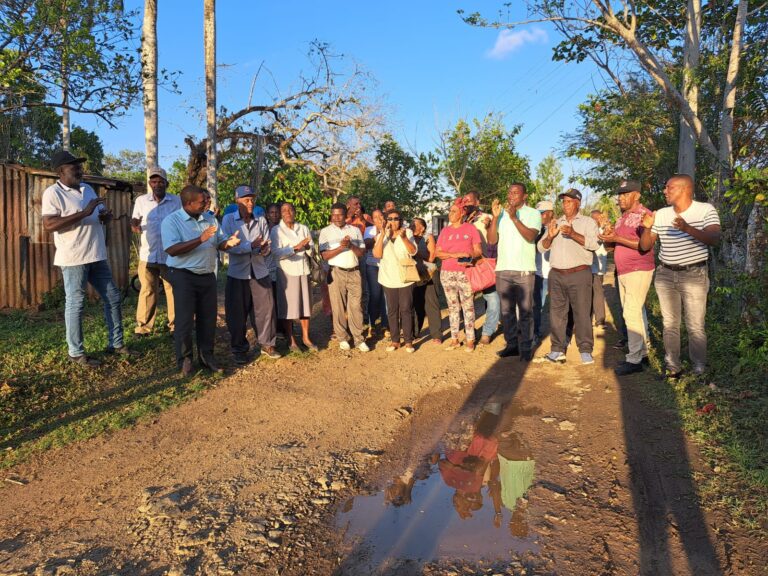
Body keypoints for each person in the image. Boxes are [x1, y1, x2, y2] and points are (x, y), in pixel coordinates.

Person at [41, 150, 135, 367]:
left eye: (80, 166)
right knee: (76, 303)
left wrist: (105, 217)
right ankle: (75, 352)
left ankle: (117, 344)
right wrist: (85, 212)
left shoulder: (88, 189)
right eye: (74, 167)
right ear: (61, 171)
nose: (80, 170)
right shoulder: (52, 193)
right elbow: (49, 225)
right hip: (73, 258)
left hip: (97, 255)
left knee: (112, 297)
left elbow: (98, 214)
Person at [639, 174, 721, 377]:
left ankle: (699, 367)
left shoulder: (705, 210)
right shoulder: (662, 214)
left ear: (685, 189)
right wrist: (647, 228)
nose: (665, 191)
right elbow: (645, 246)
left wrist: (687, 228)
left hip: (694, 274)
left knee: (695, 325)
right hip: (666, 274)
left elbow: (714, 239)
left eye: (669, 187)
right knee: (670, 324)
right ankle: (673, 365)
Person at [162, 185, 241, 375]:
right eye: (202, 201)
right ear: (189, 203)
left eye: (207, 200)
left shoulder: (210, 218)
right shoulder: (171, 221)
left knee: (208, 318)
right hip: (183, 275)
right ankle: (185, 360)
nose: (207, 203)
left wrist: (228, 243)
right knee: (184, 320)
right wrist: (200, 239)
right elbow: (172, 249)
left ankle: (207, 356)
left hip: (207, 274)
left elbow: (219, 241)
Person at [599, 180, 655, 375]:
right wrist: (608, 237)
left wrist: (616, 239)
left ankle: (634, 359)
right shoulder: (622, 218)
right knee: (634, 313)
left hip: (638, 268)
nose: (621, 198)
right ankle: (643, 353)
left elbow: (644, 245)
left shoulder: (645, 215)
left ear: (637, 195)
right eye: (619, 194)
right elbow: (613, 246)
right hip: (623, 271)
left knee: (631, 313)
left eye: (625, 194)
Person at [537, 188, 599, 364]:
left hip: (579, 273)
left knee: (582, 312)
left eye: (569, 201)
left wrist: (573, 234)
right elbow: (541, 248)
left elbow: (594, 244)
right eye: (563, 202)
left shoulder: (587, 222)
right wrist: (549, 237)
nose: (565, 205)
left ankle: (585, 349)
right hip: (556, 274)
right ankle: (557, 349)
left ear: (578, 203)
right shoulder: (555, 222)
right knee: (557, 313)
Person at [221, 186, 281, 365]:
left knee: (266, 309)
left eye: (252, 199)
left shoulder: (260, 220)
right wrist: (250, 246)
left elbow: (266, 243)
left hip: (260, 271)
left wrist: (264, 248)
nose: (250, 202)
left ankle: (267, 344)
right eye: (246, 199)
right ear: (237, 201)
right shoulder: (229, 220)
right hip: (237, 273)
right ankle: (239, 349)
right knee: (237, 313)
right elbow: (227, 246)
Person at [487, 183, 542, 362]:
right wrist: (495, 218)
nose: (511, 195)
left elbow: (530, 236)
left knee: (526, 311)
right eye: (509, 192)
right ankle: (511, 345)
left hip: (524, 270)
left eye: (516, 193)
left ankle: (526, 348)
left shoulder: (533, 213)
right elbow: (491, 241)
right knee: (506, 311)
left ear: (525, 196)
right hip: (503, 269)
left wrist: (514, 218)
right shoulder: (501, 214)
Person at [131, 166, 181, 337]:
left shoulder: (176, 201)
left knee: (173, 289)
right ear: (150, 183)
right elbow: (135, 218)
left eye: (161, 181)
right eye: (154, 181)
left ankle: (175, 325)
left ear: (167, 183)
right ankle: (143, 327)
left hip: (171, 254)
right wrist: (134, 224)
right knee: (148, 289)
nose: (157, 184)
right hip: (148, 253)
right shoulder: (141, 201)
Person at [319, 203, 370, 352]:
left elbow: (361, 253)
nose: (336, 217)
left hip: (354, 271)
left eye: (339, 214)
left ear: (345, 215)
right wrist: (341, 247)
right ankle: (342, 337)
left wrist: (351, 245)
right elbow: (324, 255)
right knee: (338, 306)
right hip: (336, 272)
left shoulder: (354, 230)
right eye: (333, 214)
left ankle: (359, 338)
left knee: (356, 306)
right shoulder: (325, 232)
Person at [270, 202, 317, 352]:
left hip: (303, 270)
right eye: (284, 210)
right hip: (286, 271)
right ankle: (291, 340)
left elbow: (312, 250)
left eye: (290, 209)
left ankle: (306, 337)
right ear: (281, 214)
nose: (288, 212)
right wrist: (295, 248)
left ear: (295, 212)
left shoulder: (303, 228)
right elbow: (276, 252)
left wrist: (308, 247)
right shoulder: (276, 230)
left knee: (305, 305)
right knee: (288, 307)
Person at [436, 201, 482, 351]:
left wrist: (469, 255)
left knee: (468, 306)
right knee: (452, 306)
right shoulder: (445, 231)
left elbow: (478, 250)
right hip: (447, 273)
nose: (450, 214)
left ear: (462, 213)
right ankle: (454, 338)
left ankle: (470, 339)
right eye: (450, 211)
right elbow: (438, 253)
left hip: (465, 272)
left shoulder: (471, 229)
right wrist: (454, 255)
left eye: (454, 211)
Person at [373, 208, 418, 352]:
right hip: (388, 277)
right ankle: (395, 340)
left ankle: (409, 341)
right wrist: (382, 234)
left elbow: (413, 251)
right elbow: (377, 254)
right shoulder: (382, 235)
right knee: (392, 310)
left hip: (405, 277)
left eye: (396, 218)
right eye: (390, 218)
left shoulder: (408, 232)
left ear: (401, 220)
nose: (393, 221)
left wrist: (404, 238)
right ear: (386, 220)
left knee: (406, 309)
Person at [463, 191, 500, 346]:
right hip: (466, 265)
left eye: (469, 201)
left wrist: (490, 224)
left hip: (485, 264)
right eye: (464, 201)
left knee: (493, 299)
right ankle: (469, 332)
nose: (465, 204)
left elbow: (496, 239)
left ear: (477, 202)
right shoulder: (459, 219)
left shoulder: (487, 217)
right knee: (466, 302)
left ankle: (487, 331)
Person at [411, 217, 442, 344]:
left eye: (415, 224)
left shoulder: (428, 237)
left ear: (422, 228)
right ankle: (414, 333)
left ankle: (436, 335)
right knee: (416, 304)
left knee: (431, 303)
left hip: (429, 273)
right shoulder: (409, 238)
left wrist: (416, 251)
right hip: (414, 274)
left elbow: (431, 257)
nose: (412, 226)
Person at [346, 196, 370, 326]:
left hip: (361, 255)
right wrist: (350, 216)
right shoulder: (342, 218)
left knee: (363, 285)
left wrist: (361, 219)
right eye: (355, 204)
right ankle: (347, 317)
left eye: (359, 203)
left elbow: (372, 230)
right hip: (345, 256)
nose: (358, 206)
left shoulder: (365, 217)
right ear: (348, 205)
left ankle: (363, 314)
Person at [363, 209, 388, 334]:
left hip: (386, 266)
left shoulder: (389, 229)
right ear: (372, 219)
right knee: (375, 294)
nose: (378, 218)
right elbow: (367, 244)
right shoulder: (369, 230)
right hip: (372, 265)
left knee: (386, 296)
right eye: (375, 217)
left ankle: (385, 324)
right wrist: (378, 232)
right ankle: (371, 323)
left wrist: (384, 230)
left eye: (380, 216)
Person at [533, 200, 554, 342]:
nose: (539, 216)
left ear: (550, 213)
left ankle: (562, 336)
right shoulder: (536, 229)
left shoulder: (559, 227)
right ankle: (535, 332)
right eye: (538, 213)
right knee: (537, 306)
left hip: (555, 273)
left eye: (542, 213)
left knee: (558, 306)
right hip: (538, 273)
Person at [589, 210, 608, 329]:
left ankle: (600, 319)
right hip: (590, 265)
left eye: (598, 218)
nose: (596, 220)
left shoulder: (605, 230)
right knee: (589, 292)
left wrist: (603, 227)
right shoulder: (589, 229)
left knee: (598, 291)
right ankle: (588, 317)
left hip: (599, 266)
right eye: (594, 218)